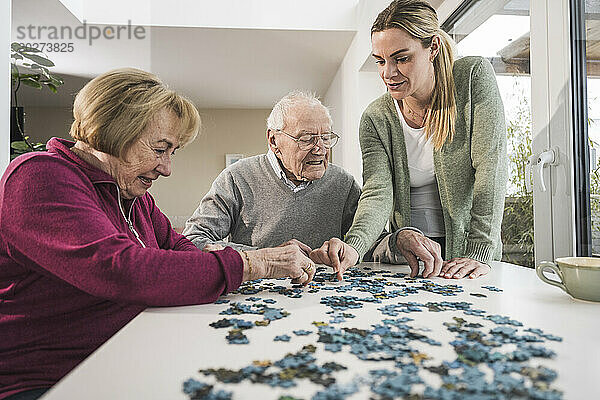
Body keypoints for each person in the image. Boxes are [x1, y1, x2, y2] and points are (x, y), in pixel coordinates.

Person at [0, 69, 315, 400]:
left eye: (172, 152)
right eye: (160, 149)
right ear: (114, 132)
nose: (167, 168)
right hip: (45, 381)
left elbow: (182, 249)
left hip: (126, 358)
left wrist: (237, 263)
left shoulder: (135, 198)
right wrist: (253, 264)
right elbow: (122, 270)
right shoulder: (37, 175)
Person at [311, 0, 507, 281]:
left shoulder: (472, 78)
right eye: (380, 61)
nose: (388, 73)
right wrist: (354, 246)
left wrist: (479, 250)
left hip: (469, 254)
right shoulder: (376, 117)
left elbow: (491, 169)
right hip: (410, 257)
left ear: (433, 48)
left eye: (401, 58)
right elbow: (378, 193)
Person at [183, 91, 361, 253]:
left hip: (327, 288)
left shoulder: (344, 183)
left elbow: (370, 243)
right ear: (274, 140)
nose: (320, 149)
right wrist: (268, 256)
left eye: (326, 137)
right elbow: (193, 240)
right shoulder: (236, 178)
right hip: (257, 286)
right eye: (307, 139)